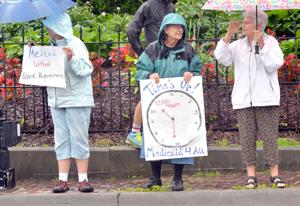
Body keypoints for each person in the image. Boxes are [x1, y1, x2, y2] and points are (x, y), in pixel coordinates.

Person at [214, 7, 285, 189]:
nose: (243, 25)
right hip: (243, 99)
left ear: (258, 24)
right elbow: (221, 57)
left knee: (269, 137)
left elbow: (274, 65)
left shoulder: (270, 43)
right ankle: (251, 175)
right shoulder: (237, 45)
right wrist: (229, 34)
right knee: (246, 138)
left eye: (246, 22)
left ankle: (274, 174)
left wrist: (261, 45)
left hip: (266, 98)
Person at [136, 13, 201, 191]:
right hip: (159, 105)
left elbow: (197, 70)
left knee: (180, 137)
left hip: (180, 104)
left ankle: (177, 179)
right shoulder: (151, 49)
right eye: (176, 26)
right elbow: (140, 71)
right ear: (165, 29)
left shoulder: (188, 50)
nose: (180, 29)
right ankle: (155, 177)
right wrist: (150, 75)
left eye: (182, 27)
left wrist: (192, 75)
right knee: (155, 136)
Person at [42, 13, 94, 193]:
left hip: (76, 99)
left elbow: (86, 69)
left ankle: (83, 179)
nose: (48, 29)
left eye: (50, 26)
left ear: (58, 26)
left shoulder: (76, 44)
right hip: (57, 100)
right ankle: (62, 180)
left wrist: (72, 58)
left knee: (79, 139)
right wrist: (34, 56)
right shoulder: (51, 47)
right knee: (61, 140)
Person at [126, 0, 176, 148]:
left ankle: (160, 132)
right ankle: (134, 133)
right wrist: (142, 53)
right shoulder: (148, 5)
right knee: (148, 95)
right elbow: (131, 30)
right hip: (154, 57)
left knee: (166, 96)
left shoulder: (171, 6)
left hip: (170, 58)